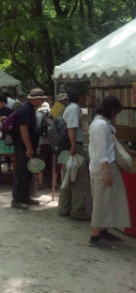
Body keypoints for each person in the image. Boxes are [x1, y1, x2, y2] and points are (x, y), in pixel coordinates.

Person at [88, 95, 131, 249]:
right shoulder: (101, 125)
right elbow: (101, 152)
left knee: (106, 200)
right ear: (112, 110)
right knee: (101, 202)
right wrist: (107, 172)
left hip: (102, 167)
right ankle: (95, 236)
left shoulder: (100, 123)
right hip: (103, 168)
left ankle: (102, 230)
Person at [11, 88, 47, 209]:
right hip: (23, 146)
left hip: (27, 146)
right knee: (22, 173)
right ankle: (17, 199)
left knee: (28, 172)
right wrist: (29, 148)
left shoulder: (29, 109)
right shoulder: (25, 110)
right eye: (41, 99)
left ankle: (25, 197)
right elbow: (23, 130)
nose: (42, 101)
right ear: (35, 99)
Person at [58, 89, 91, 221]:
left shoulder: (68, 108)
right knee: (79, 180)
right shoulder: (74, 108)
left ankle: (64, 208)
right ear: (79, 97)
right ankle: (77, 210)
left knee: (68, 178)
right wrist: (73, 145)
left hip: (70, 146)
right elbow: (71, 128)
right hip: (75, 146)